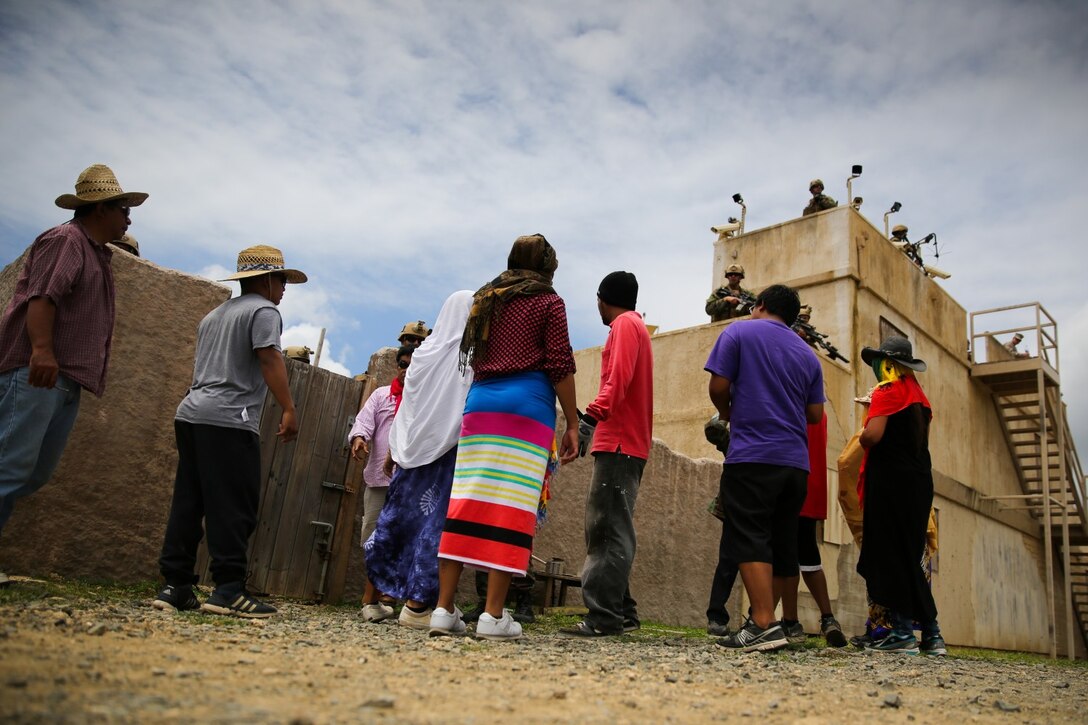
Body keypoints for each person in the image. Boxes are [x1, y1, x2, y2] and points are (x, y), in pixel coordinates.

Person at [0, 164, 146, 587]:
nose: (128, 217)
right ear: (99, 209)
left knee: (32, 471)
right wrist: (42, 351)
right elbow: (42, 298)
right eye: (122, 208)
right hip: (37, 373)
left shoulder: (96, 252)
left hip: (64, 381)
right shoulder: (65, 240)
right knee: (9, 466)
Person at [432, 234, 579, 641]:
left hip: (480, 403)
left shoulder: (487, 298)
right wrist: (571, 420)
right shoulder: (549, 302)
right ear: (548, 264)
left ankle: (443, 610)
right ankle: (492, 615)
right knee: (509, 505)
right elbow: (559, 363)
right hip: (526, 405)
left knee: (468, 499)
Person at [153, 245, 304, 618]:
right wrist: (288, 407)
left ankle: (176, 586)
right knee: (234, 505)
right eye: (282, 279)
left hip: (190, 414)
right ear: (267, 279)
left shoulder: (214, 315)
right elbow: (268, 357)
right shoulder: (264, 311)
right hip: (228, 419)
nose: (284, 287)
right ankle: (229, 590)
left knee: (190, 501)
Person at [705, 284, 824, 652]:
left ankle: (761, 623)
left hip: (753, 455)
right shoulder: (808, 355)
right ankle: (776, 624)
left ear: (759, 306)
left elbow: (718, 385)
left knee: (749, 534)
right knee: (782, 541)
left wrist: (728, 413)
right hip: (795, 465)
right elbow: (815, 415)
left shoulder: (739, 331)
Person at [360, 295, 473, 626]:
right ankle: (418, 607)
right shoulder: (469, 359)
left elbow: (406, 407)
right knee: (434, 530)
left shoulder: (422, 357)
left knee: (396, 525)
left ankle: (377, 601)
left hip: (411, 457)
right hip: (447, 457)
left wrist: (396, 449)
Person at [560, 271, 654, 638]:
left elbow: (617, 382)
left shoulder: (624, 326)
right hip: (626, 443)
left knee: (606, 529)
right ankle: (622, 611)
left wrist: (587, 420)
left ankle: (603, 617)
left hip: (618, 442)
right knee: (614, 527)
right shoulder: (636, 326)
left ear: (602, 298)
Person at [856, 336, 945, 655]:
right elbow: (920, 443)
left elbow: (872, 437)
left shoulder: (886, 392)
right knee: (908, 557)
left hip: (890, 484)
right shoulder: (921, 398)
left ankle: (904, 632)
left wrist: (866, 420)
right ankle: (932, 635)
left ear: (888, 365)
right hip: (918, 483)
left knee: (889, 557)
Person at [349, 345, 413, 615]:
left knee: (402, 538)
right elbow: (363, 422)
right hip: (378, 479)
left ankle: (389, 595)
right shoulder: (380, 396)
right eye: (402, 363)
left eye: (412, 364)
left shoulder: (423, 400)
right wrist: (360, 438)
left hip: (410, 481)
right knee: (373, 535)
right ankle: (371, 597)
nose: (406, 369)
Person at [777, 412, 849, 647]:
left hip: (790, 482)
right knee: (809, 555)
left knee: (785, 557)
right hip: (813, 487)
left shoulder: (791, 406)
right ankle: (828, 619)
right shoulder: (821, 414)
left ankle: (790, 621)